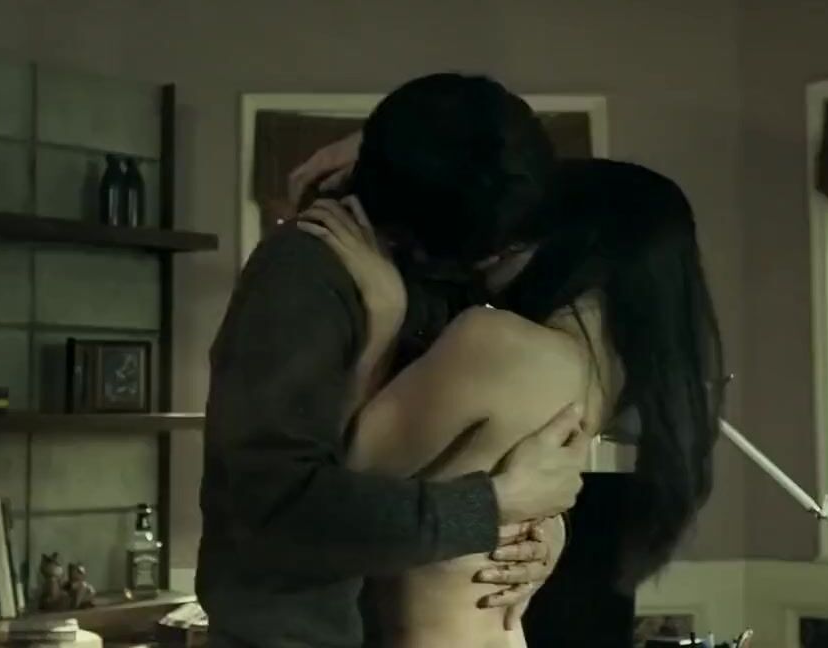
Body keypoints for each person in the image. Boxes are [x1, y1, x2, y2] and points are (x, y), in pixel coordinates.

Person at [197, 74, 592, 648]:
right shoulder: (305, 273)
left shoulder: (448, 264)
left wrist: (538, 527)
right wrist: (495, 506)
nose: (495, 259)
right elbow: (277, 511)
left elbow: (459, 452)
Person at [296, 158, 726, 647]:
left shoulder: (498, 343)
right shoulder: (603, 371)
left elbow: (326, 492)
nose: (496, 247)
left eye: (524, 231)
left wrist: (382, 317)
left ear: (578, 243)